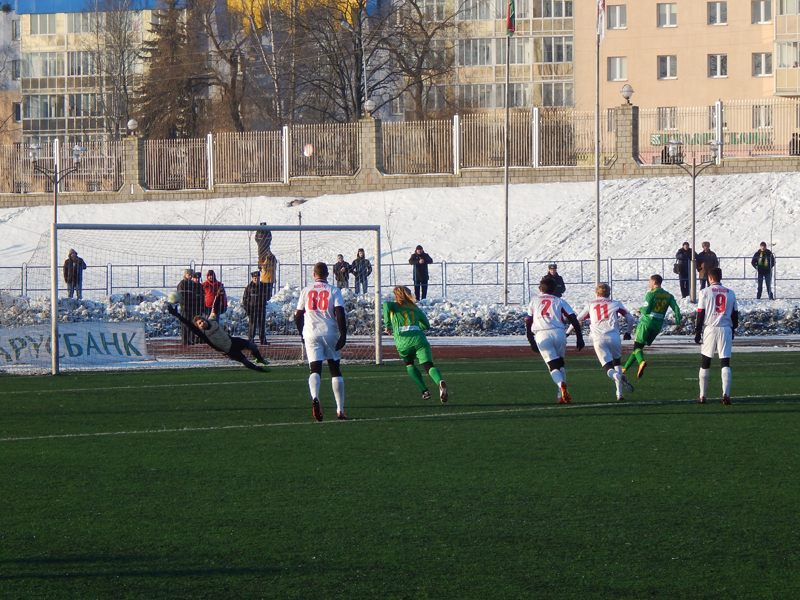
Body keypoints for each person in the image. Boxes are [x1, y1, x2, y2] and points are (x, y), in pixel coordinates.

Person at [295, 262, 348, 421]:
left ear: (314, 274)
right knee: (335, 369)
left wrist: (301, 333)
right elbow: (340, 313)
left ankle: (315, 397)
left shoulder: (306, 291)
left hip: (311, 333)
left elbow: (298, 315)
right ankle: (340, 410)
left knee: (314, 369)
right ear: (328, 274)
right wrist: (343, 334)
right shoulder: (334, 290)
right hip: (330, 332)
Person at [166, 292, 269, 372]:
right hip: (228, 350)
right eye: (199, 323)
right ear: (199, 327)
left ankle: (259, 358)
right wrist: (177, 315)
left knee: (253, 346)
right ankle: (259, 369)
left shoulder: (212, 320)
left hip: (232, 341)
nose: (202, 323)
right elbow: (189, 325)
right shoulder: (203, 334)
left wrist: (218, 296)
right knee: (244, 360)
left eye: (202, 320)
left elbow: (214, 308)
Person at [383, 285, 448, 402]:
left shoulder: (394, 305)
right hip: (419, 340)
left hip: (403, 342)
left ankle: (425, 391)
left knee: (409, 364)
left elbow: (385, 305)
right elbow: (427, 325)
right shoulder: (415, 308)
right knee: (428, 365)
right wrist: (416, 328)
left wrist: (387, 325)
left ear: (396, 295)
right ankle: (440, 381)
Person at [525, 276, 584, 404]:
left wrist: (531, 340)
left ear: (541, 289)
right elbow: (573, 319)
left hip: (542, 334)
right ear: (554, 290)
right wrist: (579, 338)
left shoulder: (534, 301)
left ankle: (560, 383)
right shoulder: (559, 301)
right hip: (559, 334)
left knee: (552, 366)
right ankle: (560, 395)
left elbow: (528, 321)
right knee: (560, 363)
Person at [573, 283, 636, 401]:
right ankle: (619, 394)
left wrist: (567, 332)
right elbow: (630, 318)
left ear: (597, 293)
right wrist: (628, 332)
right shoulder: (616, 303)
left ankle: (618, 377)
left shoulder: (591, 304)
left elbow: (577, 319)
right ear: (609, 293)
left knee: (608, 367)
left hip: (598, 339)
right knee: (617, 363)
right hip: (614, 338)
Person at [623, 274, 682, 379]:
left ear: (654, 282)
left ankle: (641, 362)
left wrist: (639, 309)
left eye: (650, 282)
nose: (649, 284)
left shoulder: (650, 294)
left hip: (646, 323)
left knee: (637, 347)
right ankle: (624, 369)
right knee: (638, 348)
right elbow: (676, 309)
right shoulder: (668, 295)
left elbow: (646, 310)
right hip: (657, 326)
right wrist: (678, 322)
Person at [694, 267, 738, 405]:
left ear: (710, 278)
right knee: (725, 362)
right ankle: (726, 394)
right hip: (725, 329)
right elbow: (735, 315)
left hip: (710, 329)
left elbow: (700, 313)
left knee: (705, 362)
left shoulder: (704, 292)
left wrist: (697, 331)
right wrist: (733, 329)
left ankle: (702, 395)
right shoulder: (731, 293)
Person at [176, 268, 204, 345]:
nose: (190, 276)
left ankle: (189, 338)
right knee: (185, 323)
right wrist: (184, 304)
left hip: (191, 306)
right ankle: (184, 340)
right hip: (185, 306)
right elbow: (181, 296)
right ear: (185, 275)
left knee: (190, 323)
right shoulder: (182, 284)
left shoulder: (191, 284)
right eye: (188, 275)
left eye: (191, 275)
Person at [242, 271, 270, 345]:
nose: (256, 279)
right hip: (252, 308)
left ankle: (263, 340)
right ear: (252, 278)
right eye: (254, 278)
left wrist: (264, 299)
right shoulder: (249, 287)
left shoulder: (263, 286)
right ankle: (250, 339)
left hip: (261, 307)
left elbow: (268, 296)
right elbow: (245, 299)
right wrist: (247, 309)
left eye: (257, 278)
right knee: (252, 324)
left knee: (262, 324)